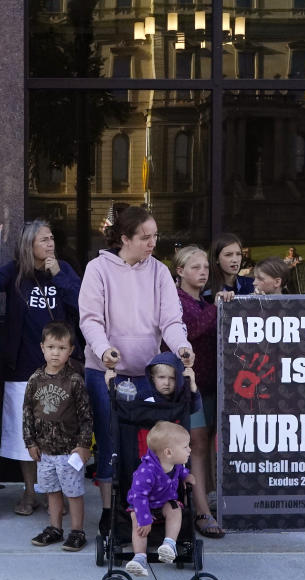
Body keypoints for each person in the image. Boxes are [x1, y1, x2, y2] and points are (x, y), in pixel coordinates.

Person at [78, 205, 193, 535]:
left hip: (147, 374)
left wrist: (181, 346)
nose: (152, 242)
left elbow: (170, 320)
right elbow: (90, 320)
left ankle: (148, 507)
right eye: (145, 237)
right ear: (124, 238)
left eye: (155, 235)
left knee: (147, 445)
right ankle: (110, 510)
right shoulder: (98, 269)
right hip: (106, 373)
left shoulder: (158, 272)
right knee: (112, 442)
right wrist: (104, 350)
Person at [0, 219, 81, 516]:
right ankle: (30, 492)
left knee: (58, 432)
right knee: (24, 434)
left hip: (58, 368)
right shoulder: (15, 273)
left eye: (51, 239)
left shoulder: (64, 270)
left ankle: (55, 494)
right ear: (28, 244)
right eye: (44, 240)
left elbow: (80, 306)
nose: (50, 244)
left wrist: (60, 277)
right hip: (21, 367)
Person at [173, 245, 230, 537]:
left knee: (206, 444)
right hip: (187, 388)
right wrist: (218, 308)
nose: (203, 272)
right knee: (195, 445)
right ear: (180, 271)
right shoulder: (176, 302)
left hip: (211, 386)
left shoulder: (207, 304)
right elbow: (191, 330)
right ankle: (201, 512)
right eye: (195, 267)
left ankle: (205, 499)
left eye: (206, 267)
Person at [23, 321, 93, 552]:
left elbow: (86, 417)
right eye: (51, 347)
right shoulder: (35, 379)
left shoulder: (74, 381)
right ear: (42, 347)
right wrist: (30, 442)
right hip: (45, 451)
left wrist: (84, 446)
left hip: (69, 450)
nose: (55, 353)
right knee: (51, 491)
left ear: (70, 350)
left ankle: (77, 531)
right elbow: (27, 413)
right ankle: (55, 528)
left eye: (61, 348)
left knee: (73, 492)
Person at [124, 421, 195, 577]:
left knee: (175, 508)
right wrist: (145, 519)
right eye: (185, 447)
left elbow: (181, 471)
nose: (189, 450)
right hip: (142, 505)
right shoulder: (146, 471)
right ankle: (140, 558)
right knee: (137, 520)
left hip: (164, 503)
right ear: (168, 452)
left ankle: (169, 545)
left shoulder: (175, 464)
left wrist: (186, 476)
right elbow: (139, 495)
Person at [204, 233, 255, 301]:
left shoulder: (252, 284)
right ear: (216, 259)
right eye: (228, 255)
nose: (235, 259)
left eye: (238, 254)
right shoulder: (206, 291)